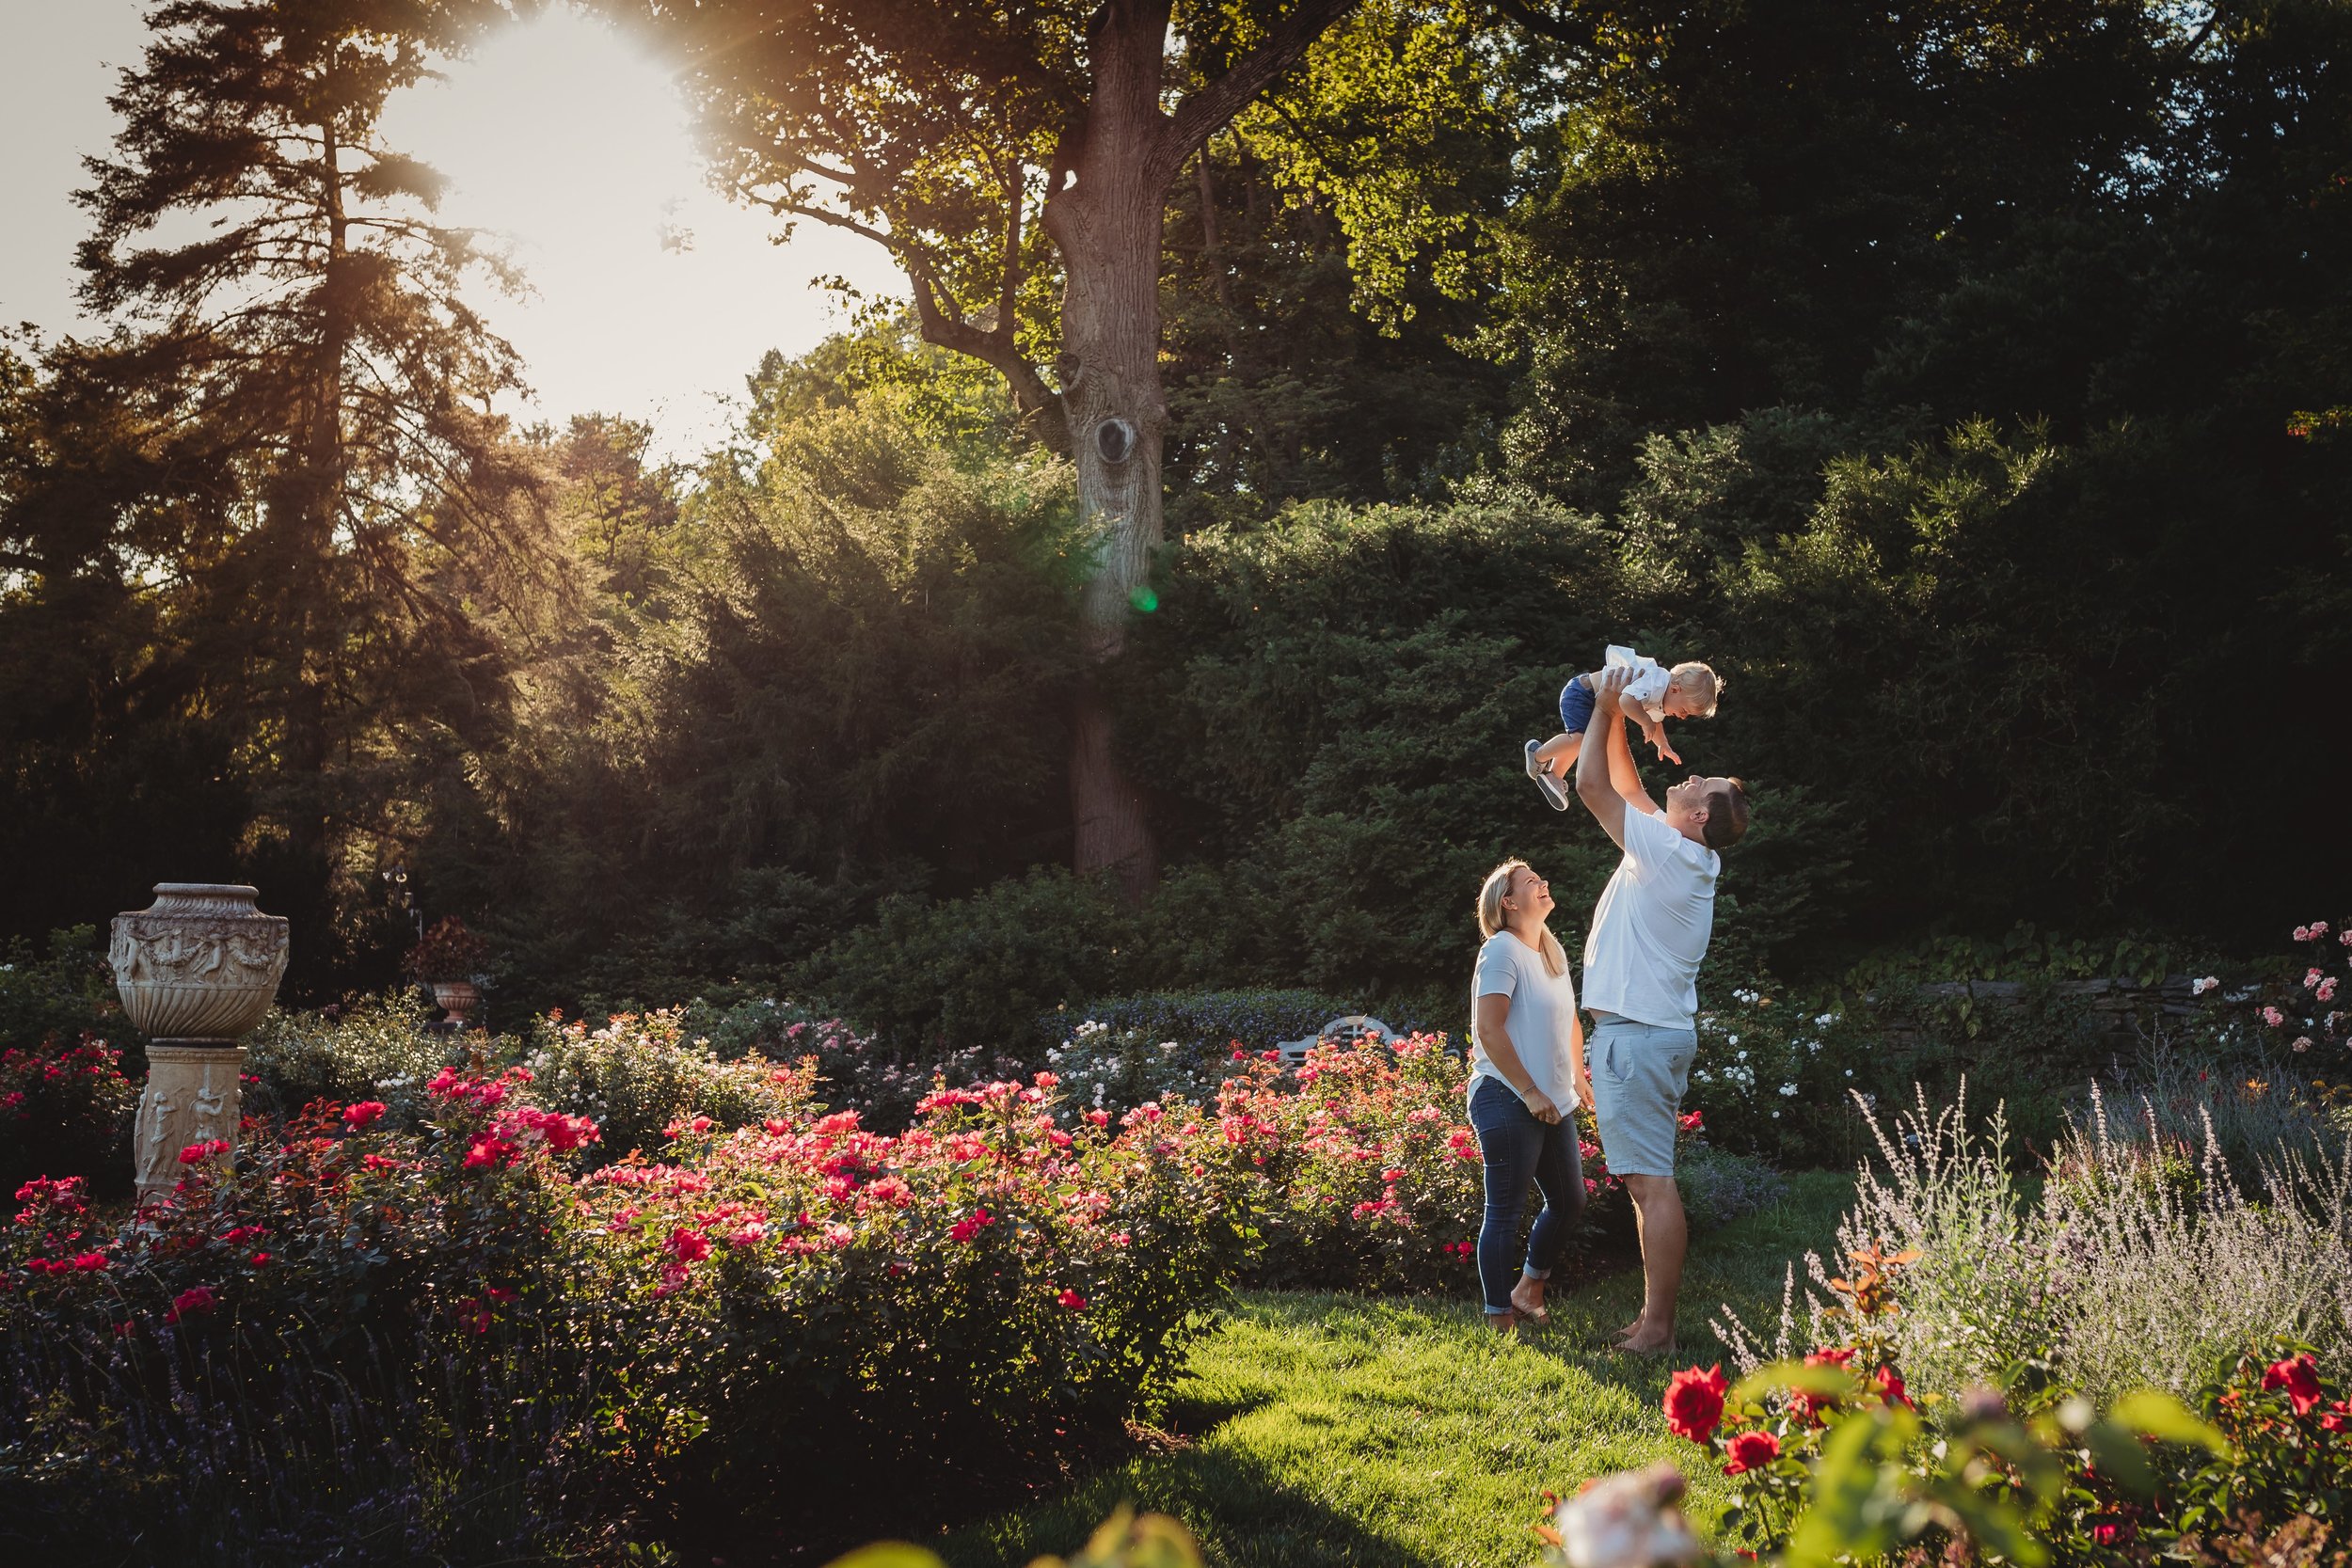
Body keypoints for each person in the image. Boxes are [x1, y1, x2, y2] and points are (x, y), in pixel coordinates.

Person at [1571, 665, 1750, 1354]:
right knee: (1650, 1180)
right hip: (1650, 1035)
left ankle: (1658, 1331)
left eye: (1697, 785)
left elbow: (1591, 787)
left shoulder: (1672, 852)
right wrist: (1620, 711)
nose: (1687, 777)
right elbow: (1627, 786)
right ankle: (1654, 1323)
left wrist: (1600, 707)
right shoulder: (1679, 848)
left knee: (1651, 1184)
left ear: (1699, 816)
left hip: (1639, 1039)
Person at [1467, 859, 1593, 1334]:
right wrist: (1529, 1089)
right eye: (1531, 883)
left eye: (1542, 879)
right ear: (1509, 901)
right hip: (1505, 1095)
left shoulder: (1549, 951)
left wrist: (1577, 1076)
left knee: (1570, 1201)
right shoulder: (1501, 951)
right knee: (1505, 1207)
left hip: (1551, 1099)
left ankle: (1529, 1288)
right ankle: (1499, 1315)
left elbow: (1571, 1020)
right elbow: (1489, 1029)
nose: (1543, 885)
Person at [1526, 646, 1720, 811]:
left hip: (1593, 699)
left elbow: (1656, 722)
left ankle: (1554, 776)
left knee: (1582, 742)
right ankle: (1538, 754)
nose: (1683, 717)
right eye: (1684, 710)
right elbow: (1626, 700)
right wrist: (1644, 721)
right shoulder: (1655, 681)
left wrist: (1663, 744)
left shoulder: (1662, 698)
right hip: (1582, 693)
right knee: (1581, 740)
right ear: (1676, 690)